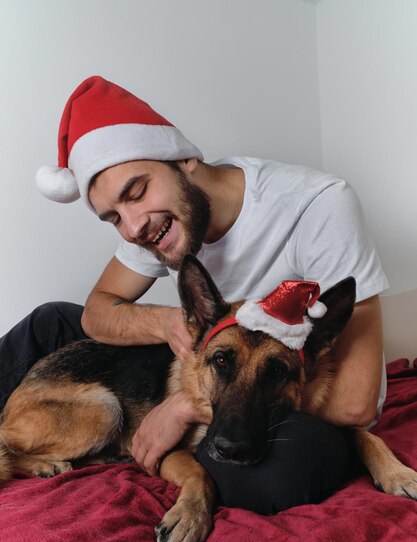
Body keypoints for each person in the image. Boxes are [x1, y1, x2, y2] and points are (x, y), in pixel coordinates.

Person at [0, 76, 389, 514]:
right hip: (208, 356)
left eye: (137, 192)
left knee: (284, 473)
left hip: (285, 393)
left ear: (184, 159)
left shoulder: (318, 206)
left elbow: (356, 403)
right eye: (114, 217)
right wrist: (168, 323)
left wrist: (183, 407)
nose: (131, 228)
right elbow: (95, 312)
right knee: (51, 321)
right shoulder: (155, 223)